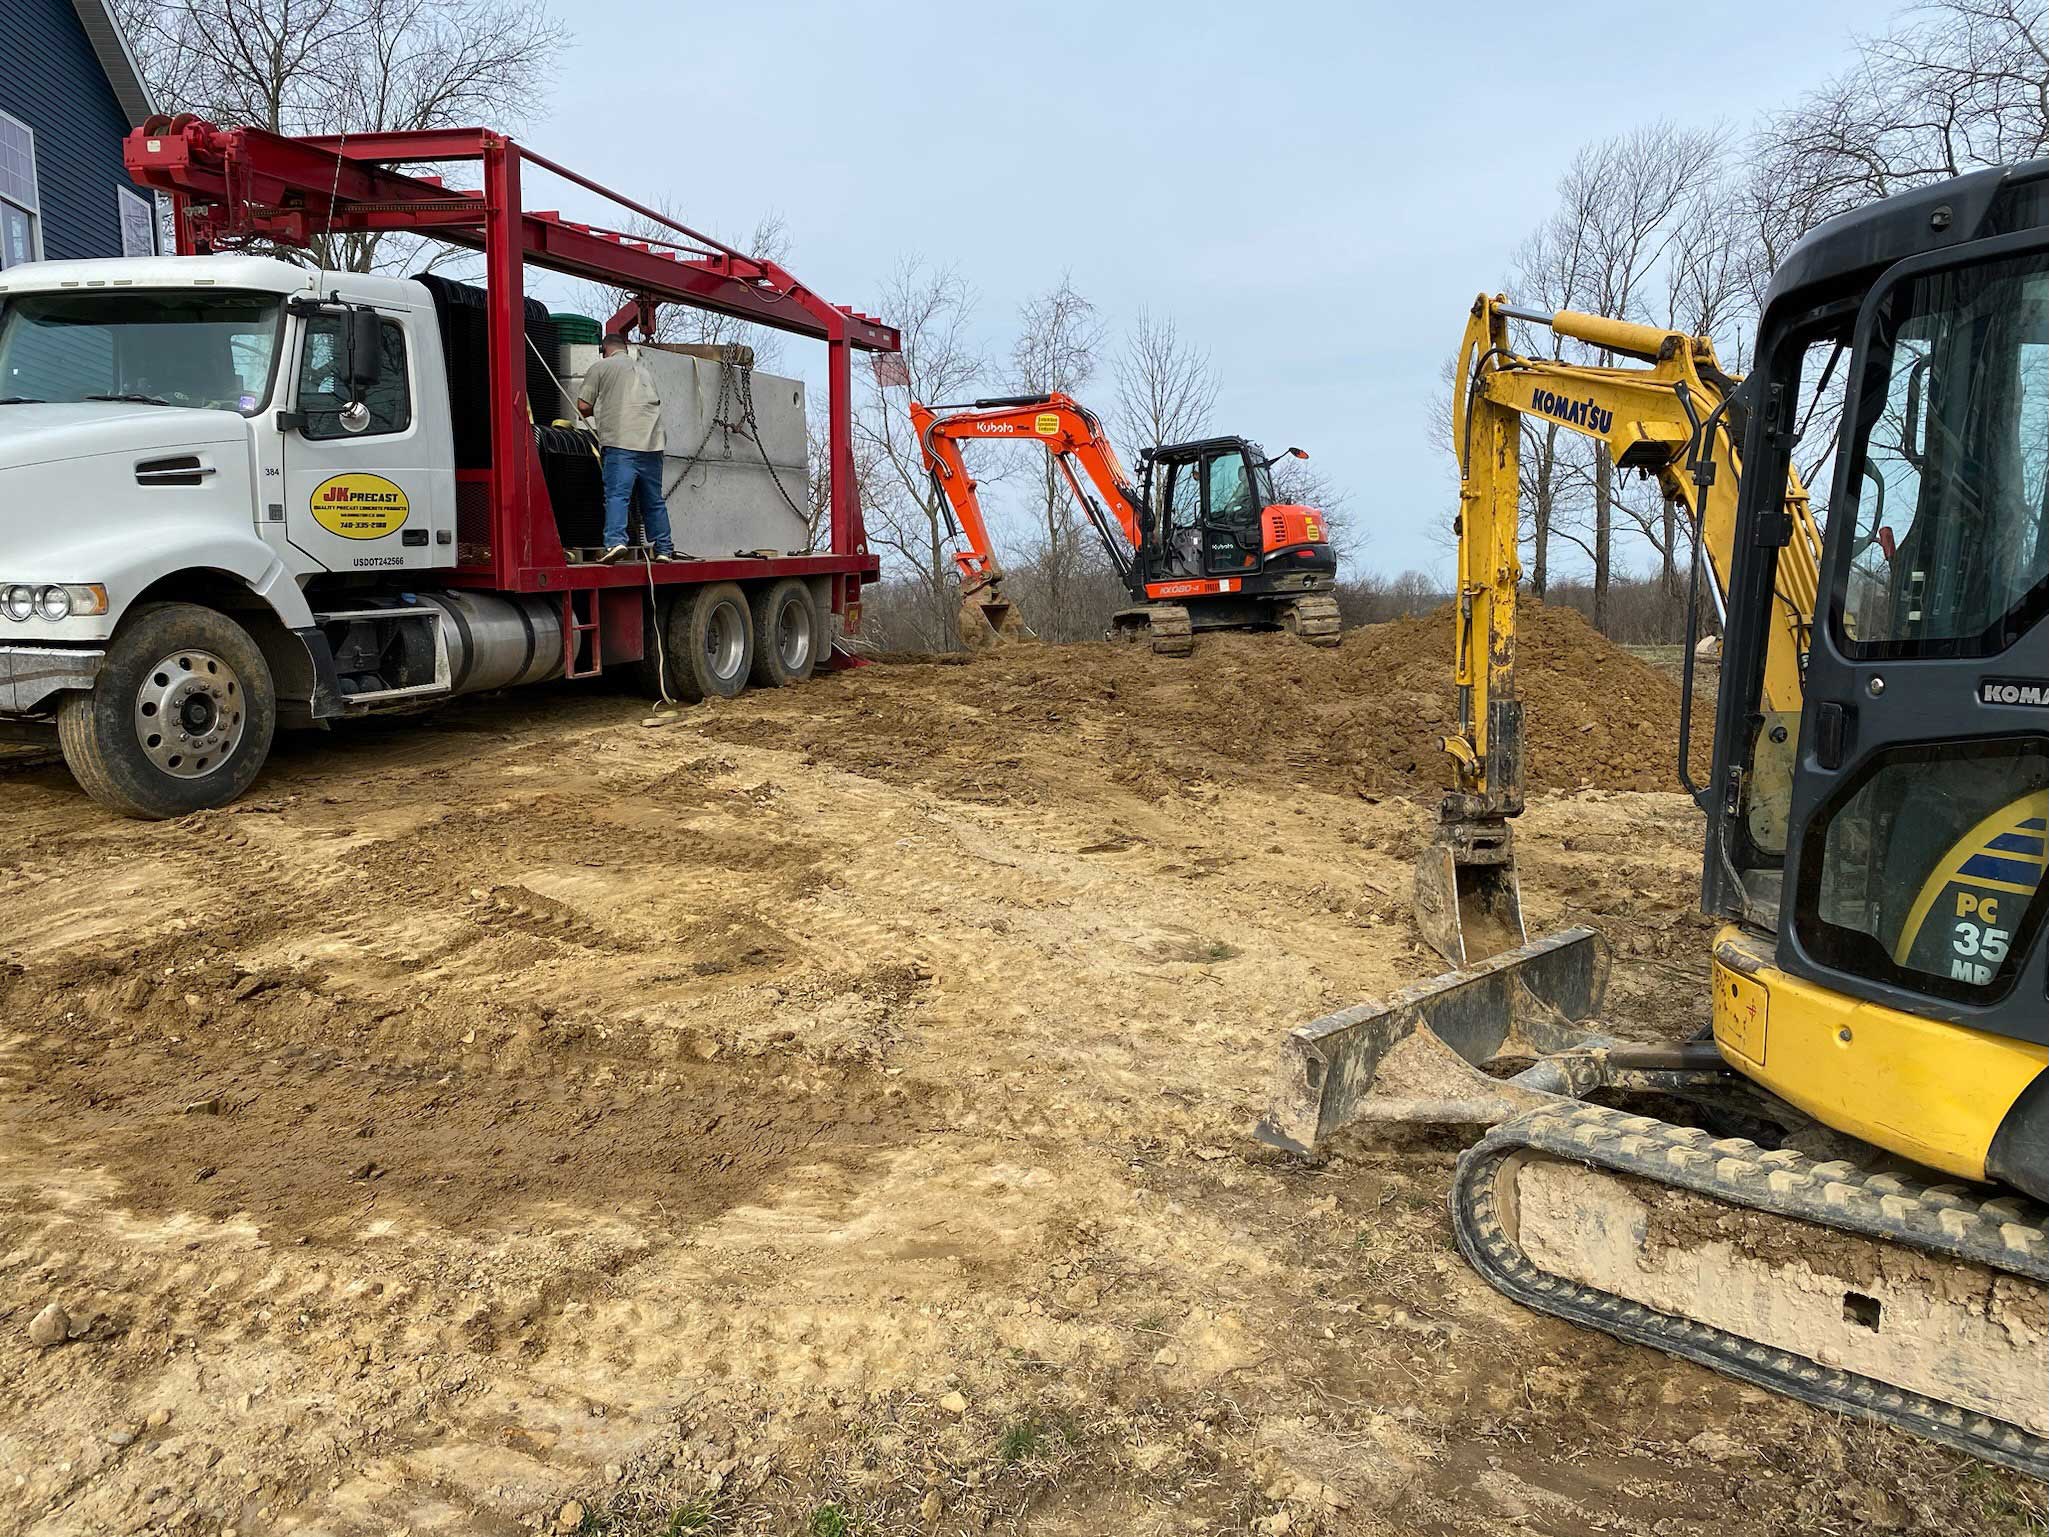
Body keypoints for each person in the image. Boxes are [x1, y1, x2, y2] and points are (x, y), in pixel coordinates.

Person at [575, 333, 680, 563]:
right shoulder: (643, 371)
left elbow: (583, 406)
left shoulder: (601, 367)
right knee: (653, 499)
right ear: (625, 349)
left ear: (605, 350)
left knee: (617, 496)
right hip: (653, 444)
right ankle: (663, 549)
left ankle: (615, 543)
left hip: (621, 443)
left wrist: (602, 410)